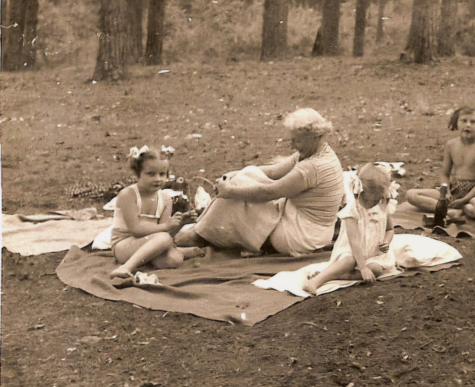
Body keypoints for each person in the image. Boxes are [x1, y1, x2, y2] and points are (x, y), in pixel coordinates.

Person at [175, 108, 345, 256]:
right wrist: (235, 174)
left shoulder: (310, 168)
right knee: (247, 174)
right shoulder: (317, 152)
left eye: (297, 140)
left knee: (237, 196)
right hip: (313, 230)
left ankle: (199, 234)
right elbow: (273, 171)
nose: (292, 145)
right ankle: (201, 229)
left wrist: (229, 191)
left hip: (300, 236)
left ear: (314, 137)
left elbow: (269, 192)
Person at [109, 146, 202, 280]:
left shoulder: (165, 199)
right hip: (123, 245)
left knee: (173, 260)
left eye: (162, 174)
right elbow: (136, 230)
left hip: (148, 242)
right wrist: (166, 226)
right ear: (138, 174)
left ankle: (178, 252)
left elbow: (166, 235)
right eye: (151, 174)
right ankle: (126, 267)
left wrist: (180, 224)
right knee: (164, 239)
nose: (157, 179)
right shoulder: (128, 195)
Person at [304, 163, 398, 295]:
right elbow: (354, 242)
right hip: (352, 251)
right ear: (362, 193)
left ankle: (339, 275)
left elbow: (389, 229)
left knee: (376, 270)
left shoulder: (383, 204)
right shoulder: (352, 211)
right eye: (374, 199)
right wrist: (363, 268)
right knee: (349, 261)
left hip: (373, 253)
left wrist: (386, 242)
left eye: (379, 198)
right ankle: (316, 281)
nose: (377, 202)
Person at [405, 107, 475, 222]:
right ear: (456, 122)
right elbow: (444, 174)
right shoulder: (451, 145)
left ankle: (458, 209)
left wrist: (465, 199)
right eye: (464, 121)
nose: (468, 125)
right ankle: (450, 211)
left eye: (473, 122)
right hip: (454, 189)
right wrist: (446, 191)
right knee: (411, 194)